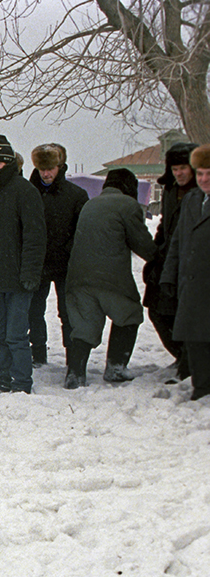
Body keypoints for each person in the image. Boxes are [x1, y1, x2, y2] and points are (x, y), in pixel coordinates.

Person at [63, 169, 157, 388]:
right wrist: (161, 256)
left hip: (79, 275)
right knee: (129, 313)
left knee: (84, 324)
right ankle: (116, 368)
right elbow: (141, 242)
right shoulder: (127, 205)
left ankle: (75, 373)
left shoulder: (90, 204)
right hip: (111, 277)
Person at [0, 135, 46, 393]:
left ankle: (21, 383)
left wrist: (30, 273)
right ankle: (1, 381)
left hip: (17, 278)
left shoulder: (25, 192)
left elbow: (35, 237)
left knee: (16, 335)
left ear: (9, 163)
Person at [29, 143, 89, 366]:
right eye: (43, 168)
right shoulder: (29, 193)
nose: (46, 173)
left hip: (66, 264)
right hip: (38, 263)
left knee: (68, 313)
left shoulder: (76, 195)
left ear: (60, 166)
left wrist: (68, 250)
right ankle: (37, 353)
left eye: (51, 168)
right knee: (34, 311)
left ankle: (73, 359)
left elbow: (82, 230)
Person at [143, 141, 198, 380]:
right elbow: (165, 226)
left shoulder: (201, 192)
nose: (179, 173)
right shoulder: (169, 190)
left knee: (188, 314)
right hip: (168, 259)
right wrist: (156, 255)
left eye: (183, 168)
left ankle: (191, 362)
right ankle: (182, 356)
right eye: (175, 169)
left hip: (194, 262)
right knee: (157, 310)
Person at [160, 143, 210, 400]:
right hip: (190, 283)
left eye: (208, 174)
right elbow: (177, 243)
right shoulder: (191, 200)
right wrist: (169, 276)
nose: (203, 179)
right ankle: (201, 388)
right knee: (195, 339)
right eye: (200, 173)